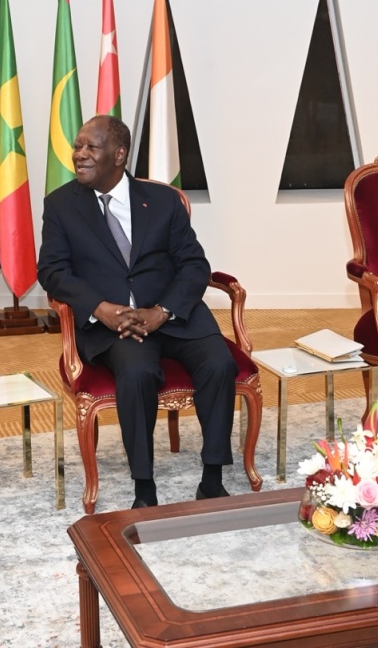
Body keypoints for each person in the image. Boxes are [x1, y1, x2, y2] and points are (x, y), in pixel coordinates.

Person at [37, 115, 237, 509]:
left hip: (172, 314)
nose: (80, 155)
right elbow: (52, 271)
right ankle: (144, 486)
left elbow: (194, 264)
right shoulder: (61, 205)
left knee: (219, 363)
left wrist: (162, 311)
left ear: (119, 154)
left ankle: (212, 477)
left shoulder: (162, 201)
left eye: (91, 147)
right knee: (138, 372)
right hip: (114, 326)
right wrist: (100, 309)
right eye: (78, 147)